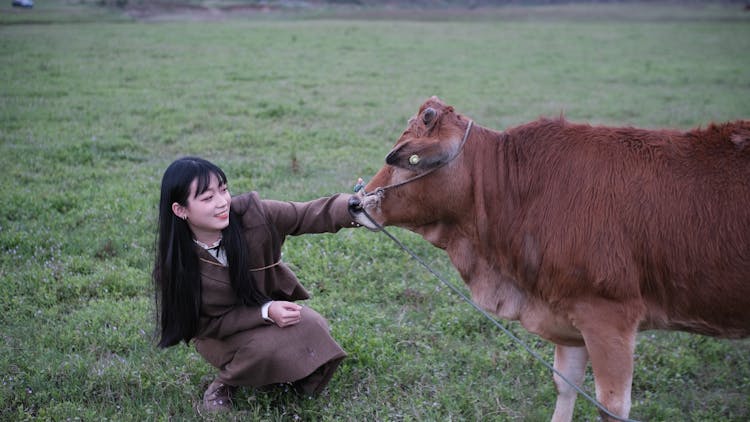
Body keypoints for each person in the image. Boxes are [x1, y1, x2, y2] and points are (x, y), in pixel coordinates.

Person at [153, 156, 362, 411]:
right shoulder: (176, 265)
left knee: (313, 325)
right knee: (262, 349)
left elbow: (305, 214)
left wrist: (353, 207)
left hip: (262, 311)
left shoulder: (253, 215)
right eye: (207, 198)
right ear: (180, 210)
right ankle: (225, 383)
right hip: (218, 334)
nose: (222, 203)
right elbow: (205, 325)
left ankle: (288, 384)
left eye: (224, 189)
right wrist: (266, 311)